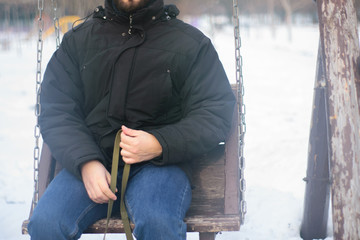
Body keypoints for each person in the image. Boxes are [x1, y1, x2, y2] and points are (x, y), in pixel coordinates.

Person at [28, 0, 235, 239]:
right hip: (94, 161)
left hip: (161, 166)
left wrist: (160, 143)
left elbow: (214, 111)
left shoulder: (190, 43)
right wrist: (86, 162)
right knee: (45, 224)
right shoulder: (78, 41)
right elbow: (57, 110)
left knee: (158, 223)